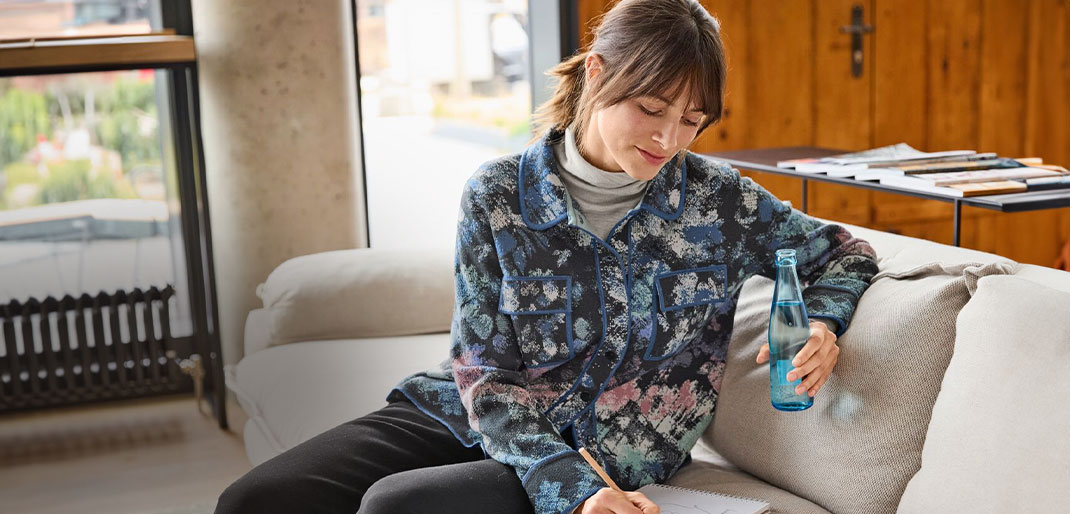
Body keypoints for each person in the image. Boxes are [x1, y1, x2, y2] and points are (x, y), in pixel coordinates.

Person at [214, 1, 879, 513]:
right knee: (254, 502)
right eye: (651, 109)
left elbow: (842, 253)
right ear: (597, 73)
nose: (668, 138)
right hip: (470, 412)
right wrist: (565, 486)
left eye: (692, 121)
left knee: (395, 507)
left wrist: (822, 322)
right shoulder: (499, 194)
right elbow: (485, 370)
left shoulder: (719, 200)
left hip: (610, 450)